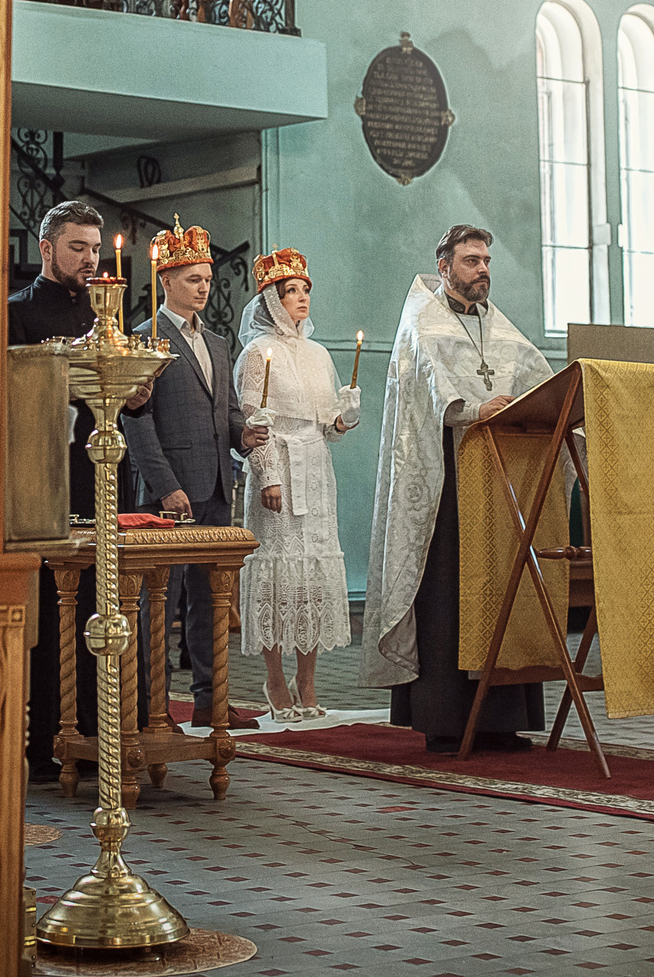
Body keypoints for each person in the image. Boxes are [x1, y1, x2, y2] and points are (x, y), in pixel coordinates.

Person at [357, 224, 555, 751]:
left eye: (486, 260)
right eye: (472, 261)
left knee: (500, 589)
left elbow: (538, 377)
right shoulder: (423, 323)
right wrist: (473, 409)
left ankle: (500, 721)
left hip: (498, 480)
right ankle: (445, 721)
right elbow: (429, 392)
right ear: (444, 267)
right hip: (446, 480)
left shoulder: (500, 328)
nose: (483, 269)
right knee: (449, 594)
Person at [6, 199, 152, 775]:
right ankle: (49, 740)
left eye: (95, 248)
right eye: (78, 248)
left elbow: (129, 398)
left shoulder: (109, 317)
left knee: (105, 601)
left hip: (106, 478)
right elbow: (13, 397)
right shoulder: (18, 313)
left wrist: (136, 395)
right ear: (47, 249)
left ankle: (106, 735)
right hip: (49, 479)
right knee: (55, 610)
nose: (91, 259)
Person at [122, 223, 261, 729]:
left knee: (211, 600)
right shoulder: (143, 339)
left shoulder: (218, 343)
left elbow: (227, 410)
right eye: (193, 279)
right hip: (169, 493)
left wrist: (244, 434)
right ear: (166, 280)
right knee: (159, 603)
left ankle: (210, 698)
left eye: (207, 278)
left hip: (217, 485)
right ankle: (153, 705)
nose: (204, 287)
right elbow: (136, 422)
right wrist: (165, 486)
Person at [235, 247, 361, 722]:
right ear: (272, 300)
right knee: (278, 575)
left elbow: (329, 426)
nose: (303, 297)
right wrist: (267, 473)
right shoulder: (256, 353)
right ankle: (274, 678)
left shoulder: (319, 353)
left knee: (312, 578)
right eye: (292, 291)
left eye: (306, 289)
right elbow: (254, 420)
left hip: (316, 470)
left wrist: (345, 416)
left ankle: (306, 681)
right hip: (278, 470)